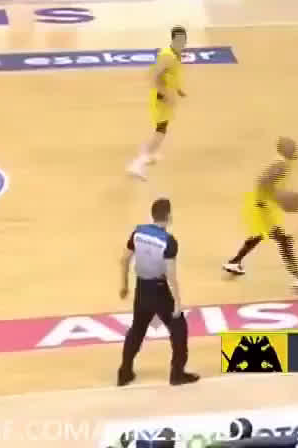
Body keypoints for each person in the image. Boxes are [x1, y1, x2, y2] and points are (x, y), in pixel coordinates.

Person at [117, 198, 197, 386]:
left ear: (152, 215)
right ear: (169, 216)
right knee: (179, 328)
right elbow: (171, 275)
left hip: (141, 289)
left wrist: (124, 285)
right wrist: (177, 302)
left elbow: (124, 259)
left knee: (137, 330)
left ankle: (124, 372)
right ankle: (177, 374)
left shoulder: (138, 233)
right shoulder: (168, 241)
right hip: (160, 291)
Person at [223, 137, 298, 288]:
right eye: (291, 148)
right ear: (283, 150)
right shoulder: (281, 165)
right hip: (263, 206)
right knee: (284, 240)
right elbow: (263, 182)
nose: (294, 150)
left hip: (262, 204)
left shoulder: (283, 163)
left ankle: (234, 262)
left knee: (258, 235)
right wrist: (270, 201)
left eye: (294, 147)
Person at [127, 26, 188, 179]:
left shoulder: (175, 54)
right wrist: (165, 95)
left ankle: (150, 152)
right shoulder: (168, 56)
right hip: (161, 98)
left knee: (161, 127)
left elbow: (171, 75)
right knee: (161, 130)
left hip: (166, 95)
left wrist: (178, 89)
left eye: (184, 39)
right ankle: (138, 164)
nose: (182, 42)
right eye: (179, 40)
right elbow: (154, 77)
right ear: (173, 39)